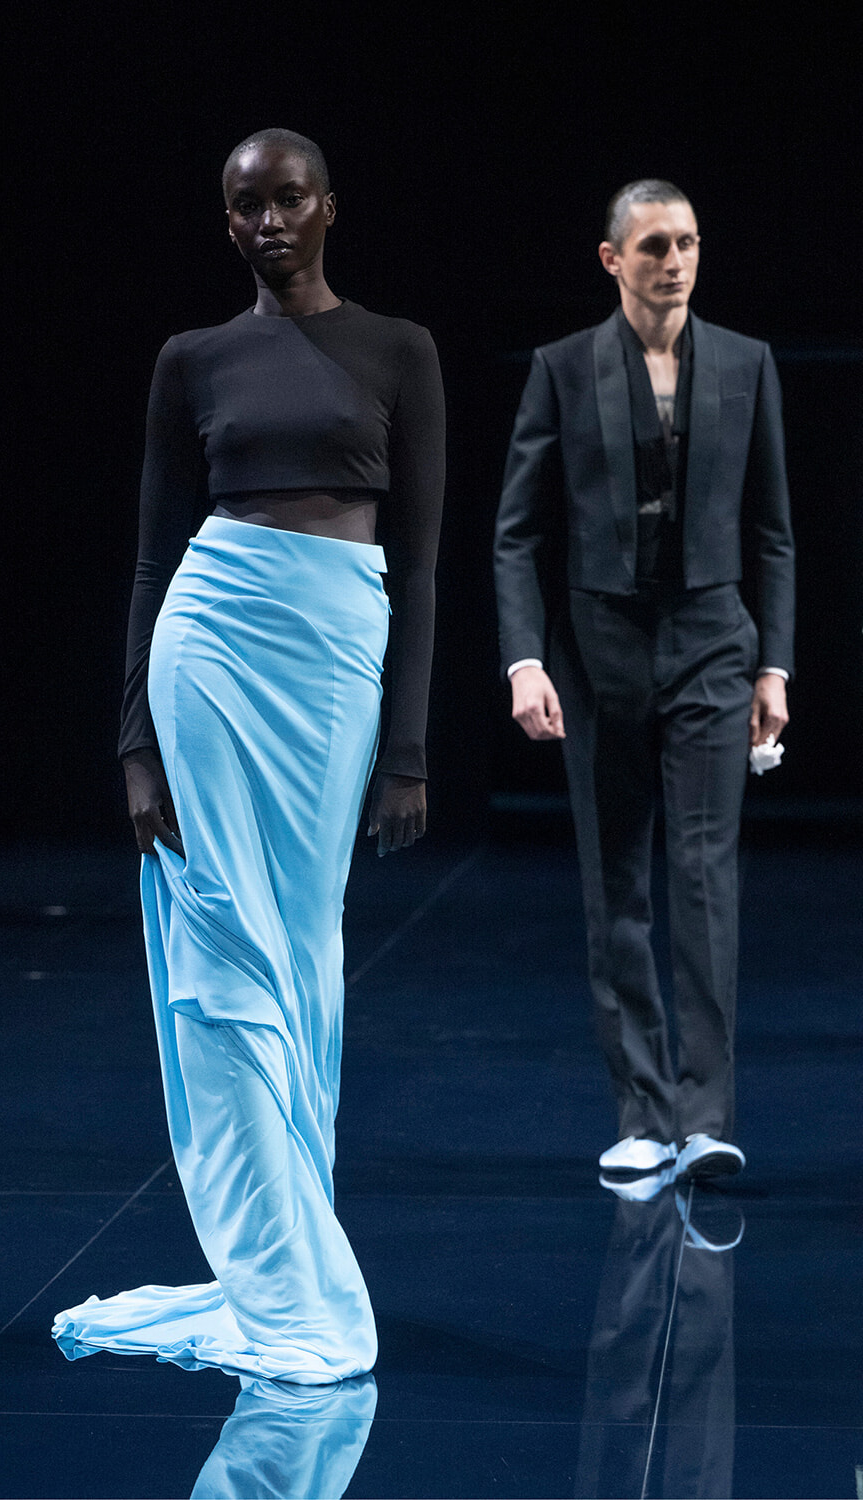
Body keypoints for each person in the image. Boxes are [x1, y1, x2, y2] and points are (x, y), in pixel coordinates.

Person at [52, 128, 445, 1382]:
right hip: (210, 648)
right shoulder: (192, 360)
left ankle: (287, 1244)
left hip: (334, 661)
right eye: (245, 207)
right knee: (223, 950)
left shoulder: (400, 351)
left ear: (330, 206)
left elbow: (425, 562)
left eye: (287, 199)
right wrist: (132, 741)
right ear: (227, 225)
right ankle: (277, 1273)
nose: (269, 221)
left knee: (306, 955)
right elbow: (153, 552)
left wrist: (411, 749)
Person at [493, 180, 794, 1182]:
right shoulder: (564, 369)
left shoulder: (746, 364)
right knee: (615, 877)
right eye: (656, 244)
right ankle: (641, 1112)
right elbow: (519, 530)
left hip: (712, 639)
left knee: (705, 875)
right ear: (612, 258)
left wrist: (774, 664)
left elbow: (773, 531)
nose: (676, 260)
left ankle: (705, 1115)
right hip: (600, 649)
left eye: (690, 243)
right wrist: (526, 657)